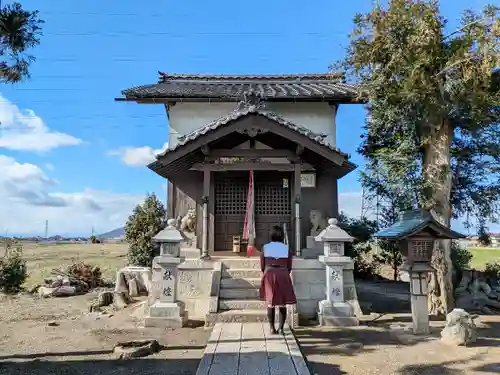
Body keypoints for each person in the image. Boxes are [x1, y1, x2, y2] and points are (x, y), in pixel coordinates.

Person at [259, 225, 297, 334]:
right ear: (282, 235)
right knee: (282, 303)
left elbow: (262, 265)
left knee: (270, 303)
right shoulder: (286, 248)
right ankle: (281, 328)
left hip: (269, 274)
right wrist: (284, 273)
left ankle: (272, 328)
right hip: (283, 274)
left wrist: (266, 273)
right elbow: (289, 265)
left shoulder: (265, 247)